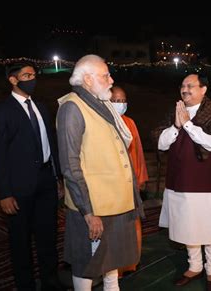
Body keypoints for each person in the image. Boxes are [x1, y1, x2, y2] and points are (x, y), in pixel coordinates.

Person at [56, 55, 142, 291]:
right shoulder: (72, 108)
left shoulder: (101, 104)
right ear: (87, 79)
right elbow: (70, 166)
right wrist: (88, 212)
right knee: (87, 263)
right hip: (93, 207)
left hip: (113, 202)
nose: (111, 80)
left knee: (110, 260)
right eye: (105, 75)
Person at [0, 62, 63, 290]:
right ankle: (26, 285)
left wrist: (57, 177)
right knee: (20, 241)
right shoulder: (0, 110)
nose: (32, 79)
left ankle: (50, 281)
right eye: (26, 75)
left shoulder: (41, 106)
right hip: (18, 187)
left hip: (46, 182)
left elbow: (52, 143)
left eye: (34, 75)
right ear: (13, 80)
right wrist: (5, 193)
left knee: (48, 236)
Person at [153, 73, 211, 291]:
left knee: (209, 228)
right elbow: (159, 141)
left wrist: (187, 124)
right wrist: (176, 126)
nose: (185, 89)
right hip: (179, 180)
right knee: (187, 226)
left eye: (190, 85)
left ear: (204, 89)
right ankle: (195, 266)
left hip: (205, 183)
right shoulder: (175, 110)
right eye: (182, 86)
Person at [110, 86, 149, 277]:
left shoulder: (130, 123)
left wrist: (140, 178)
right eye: (115, 100)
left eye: (122, 100)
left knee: (132, 226)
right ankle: (113, 269)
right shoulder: (104, 122)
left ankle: (130, 263)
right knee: (113, 228)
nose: (120, 104)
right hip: (111, 187)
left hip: (130, 185)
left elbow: (138, 152)